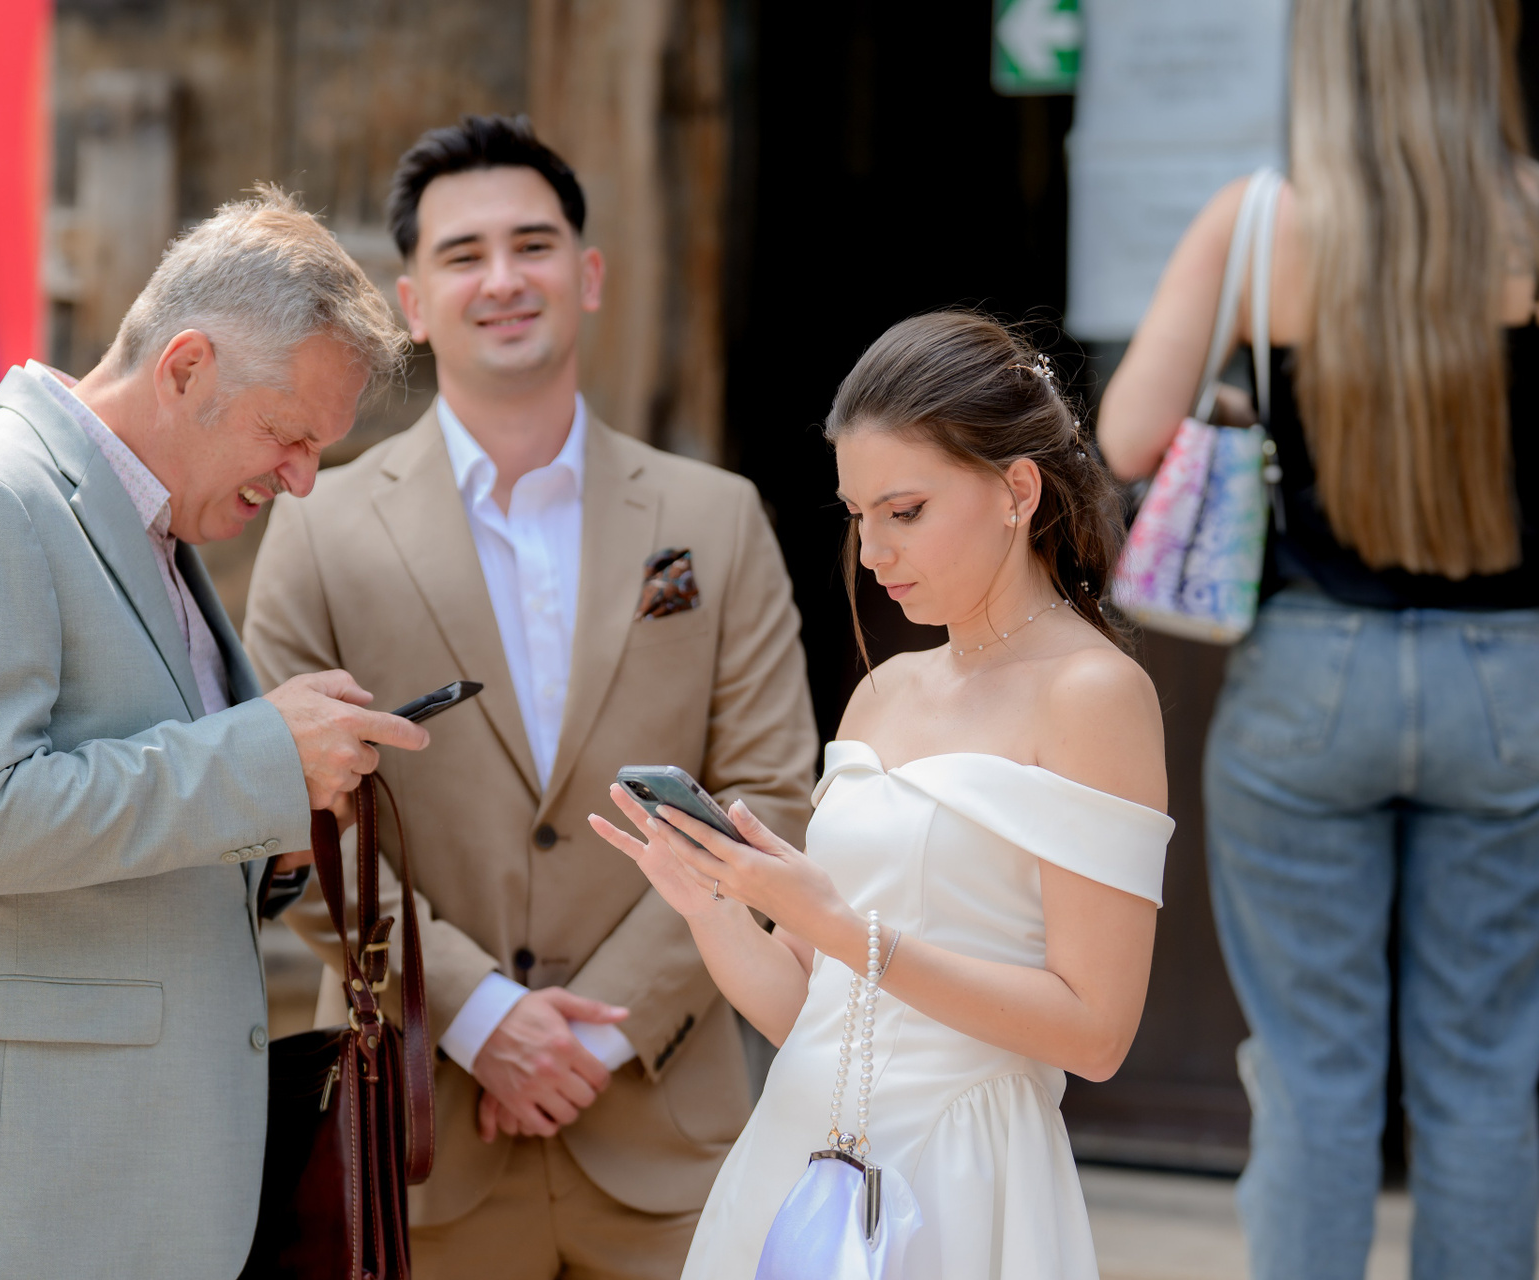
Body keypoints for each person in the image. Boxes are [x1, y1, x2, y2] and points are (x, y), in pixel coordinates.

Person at [0, 187, 430, 1280]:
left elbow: (135, 830)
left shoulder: (150, 526)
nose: (302, 479)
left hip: (110, 1182)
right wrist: (259, 761)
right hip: (17, 1199)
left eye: (319, 449)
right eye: (288, 435)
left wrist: (279, 835)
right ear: (186, 368)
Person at [243, 115, 818, 1280]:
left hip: (670, 1135)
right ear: (413, 303)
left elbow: (771, 796)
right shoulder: (317, 528)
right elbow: (293, 813)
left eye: (534, 245)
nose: (503, 278)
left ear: (589, 274)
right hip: (412, 1142)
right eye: (465, 255)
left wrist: (596, 1031)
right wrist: (478, 1013)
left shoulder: (716, 517)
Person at [1097, 2, 1539, 1275]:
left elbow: (1125, 436)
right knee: (1485, 1070)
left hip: (1310, 676)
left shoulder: (1258, 224)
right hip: (1509, 683)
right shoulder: (1529, 217)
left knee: (1310, 1072)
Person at [593, 311, 1173, 1278]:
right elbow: (809, 1011)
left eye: (905, 512)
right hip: (802, 1151)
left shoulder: (1094, 695)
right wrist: (714, 910)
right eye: (858, 516)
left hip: (961, 1171)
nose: (871, 554)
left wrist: (844, 929)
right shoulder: (881, 693)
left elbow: (1097, 1032)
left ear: (1017, 491)